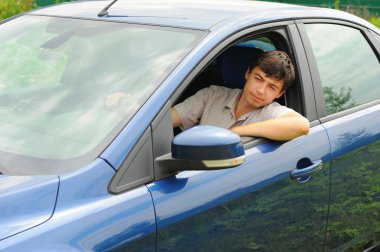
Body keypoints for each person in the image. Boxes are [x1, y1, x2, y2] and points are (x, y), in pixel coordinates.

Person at [171, 50, 309, 141]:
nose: (261, 90)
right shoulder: (212, 95)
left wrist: (236, 132)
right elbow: (164, 121)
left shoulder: (270, 112)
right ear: (248, 74)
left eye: (271, 87)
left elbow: (301, 125)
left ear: (280, 93)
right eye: (258, 79)